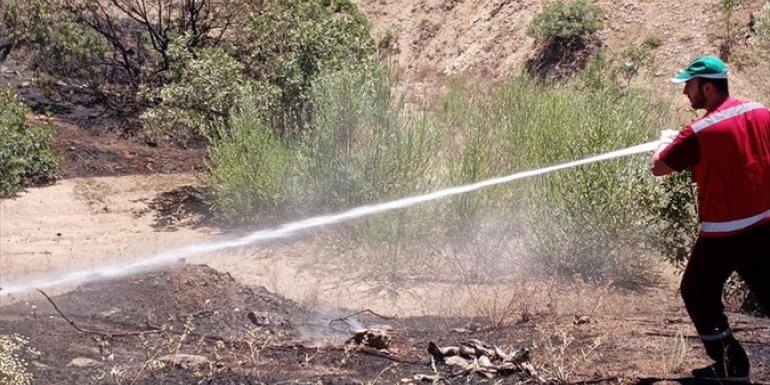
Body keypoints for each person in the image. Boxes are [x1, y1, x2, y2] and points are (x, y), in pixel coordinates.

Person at [650, 55, 770, 382]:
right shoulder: (761, 111)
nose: (685, 92)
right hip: (763, 222)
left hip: (725, 230)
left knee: (697, 292)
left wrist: (664, 144)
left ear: (707, 87)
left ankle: (732, 367)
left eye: (689, 85)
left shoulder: (698, 130)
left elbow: (658, 167)